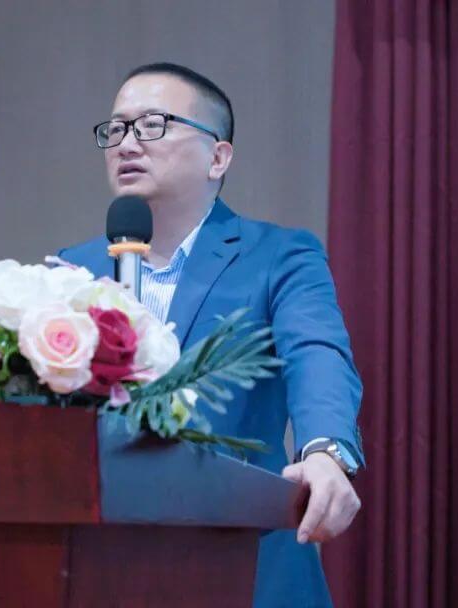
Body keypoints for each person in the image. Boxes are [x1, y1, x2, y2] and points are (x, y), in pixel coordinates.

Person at [57, 62, 363, 608]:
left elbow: (316, 354)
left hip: (245, 563)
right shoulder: (70, 272)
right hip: (103, 571)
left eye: (153, 124)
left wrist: (325, 451)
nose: (127, 143)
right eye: (117, 128)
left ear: (218, 157)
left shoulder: (278, 256)